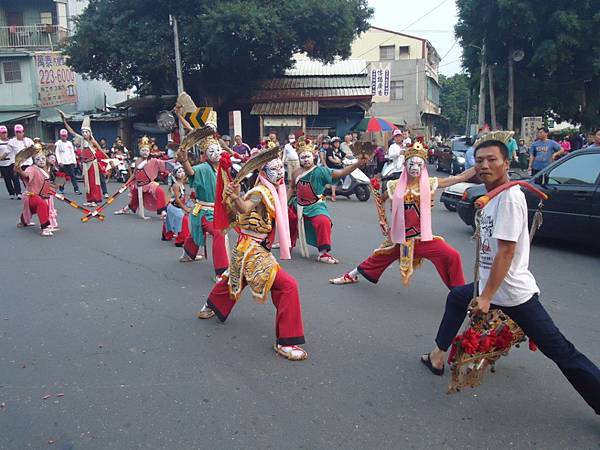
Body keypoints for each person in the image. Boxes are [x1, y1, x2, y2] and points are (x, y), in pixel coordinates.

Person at [420, 133, 600, 415]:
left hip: (513, 293)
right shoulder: (494, 196)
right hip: (490, 285)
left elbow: (506, 252)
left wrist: (486, 297)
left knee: (561, 351)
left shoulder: (510, 199)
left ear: (507, 163)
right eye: (479, 161)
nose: (484, 165)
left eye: (492, 160)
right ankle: (437, 356)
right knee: (457, 297)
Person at [197, 156, 308, 361]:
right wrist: (238, 198)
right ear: (264, 173)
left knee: (235, 277)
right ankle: (286, 341)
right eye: (274, 169)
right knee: (288, 286)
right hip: (252, 249)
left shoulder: (274, 188)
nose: (280, 172)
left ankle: (210, 306)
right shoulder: (260, 192)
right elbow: (246, 207)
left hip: (250, 247)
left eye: (281, 167)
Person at [330, 142, 471, 288]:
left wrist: (478, 166)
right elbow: (380, 199)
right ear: (405, 165)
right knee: (378, 257)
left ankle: (458, 292)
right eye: (412, 164)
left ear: (423, 167)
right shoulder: (394, 185)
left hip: (422, 238)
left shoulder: (429, 183)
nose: (415, 168)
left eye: (419, 164)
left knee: (452, 256)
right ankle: (350, 276)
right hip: (399, 238)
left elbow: (458, 178)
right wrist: (383, 221)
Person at [288, 137, 368, 264]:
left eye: (308, 156)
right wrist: (284, 205)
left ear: (313, 156)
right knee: (287, 219)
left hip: (316, 205)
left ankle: (323, 253)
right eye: (302, 157)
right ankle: (287, 245)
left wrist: (357, 163)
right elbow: (292, 188)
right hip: (298, 204)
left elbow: (341, 172)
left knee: (323, 221)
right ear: (299, 159)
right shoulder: (296, 172)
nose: (306, 159)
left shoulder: (321, 171)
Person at [176, 119, 228, 277]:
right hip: (205, 211)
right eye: (211, 151)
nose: (216, 153)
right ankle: (221, 271)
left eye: (217, 149)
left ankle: (189, 253)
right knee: (219, 233)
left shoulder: (223, 167)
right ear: (205, 154)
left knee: (197, 233)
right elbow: (191, 173)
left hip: (220, 208)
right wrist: (184, 160)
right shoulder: (203, 168)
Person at [113, 136, 169, 219]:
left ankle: (163, 211)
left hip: (149, 184)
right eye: (143, 150)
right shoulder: (137, 161)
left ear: (149, 151)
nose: (145, 152)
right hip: (138, 184)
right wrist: (126, 183)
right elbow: (134, 174)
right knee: (135, 198)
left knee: (160, 192)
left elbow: (164, 164)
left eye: (147, 150)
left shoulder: (153, 160)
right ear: (139, 151)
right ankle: (126, 209)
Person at [59, 112, 104, 207]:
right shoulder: (80, 139)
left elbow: (101, 150)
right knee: (87, 183)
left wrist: (110, 160)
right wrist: (64, 120)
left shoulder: (92, 141)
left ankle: (95, 200)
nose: (84, 134)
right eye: (83, 132)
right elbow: (71, 131)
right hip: (84, 164)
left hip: (92, 163)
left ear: (90, 133)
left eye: (86, 132)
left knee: (93, 182)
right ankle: (90, 199)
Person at [14, 145, 55, 236]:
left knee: (31, 210)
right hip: (32, 195)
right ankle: (45, 228)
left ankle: (24, 221)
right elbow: (26, 175)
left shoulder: (46, 169)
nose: (41, 161)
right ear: (34, 161)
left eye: (43, 159)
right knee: (42, 204)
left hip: (42, 195)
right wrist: (20, 171)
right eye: (38, 159)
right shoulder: (32, 168)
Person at [162, 165, 190, 247]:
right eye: (179, 172)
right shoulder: (176, 185)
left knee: (170, 221)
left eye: (183, 171)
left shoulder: (181, 183)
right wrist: (185, 208)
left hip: (174, 206)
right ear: (175, 175)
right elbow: (177, 200)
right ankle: (181, 240)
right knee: (183, 221)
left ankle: (166, 234)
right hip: (174, 206)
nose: (182, 173)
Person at [54, 129, 81, 195]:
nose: (64, 137)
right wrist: (59, 161)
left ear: (67, 136)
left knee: (73, 176)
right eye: (62, 136)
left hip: (70, 162)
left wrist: (74, 162)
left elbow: (72, 153)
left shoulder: (69, 143)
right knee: (61, 176)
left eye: (65, 136)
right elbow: (57, 153)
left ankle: (76, 189)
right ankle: (61, 189)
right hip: (62, 163)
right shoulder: (58, 143)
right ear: (60, 136)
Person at [0, 125, 22, 199]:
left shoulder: (12, 141)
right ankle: (11, 193)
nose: (4, 134)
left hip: (12, 162)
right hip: (2, 163)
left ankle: (19, 193)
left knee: (15, 177)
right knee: (7, 179)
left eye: (5, 132)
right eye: (2, 133)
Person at [325, 136, 346, 201]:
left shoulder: (339, 151)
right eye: (336, 143)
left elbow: (345, 155)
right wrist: (337, 161)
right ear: (332, 143)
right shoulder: (330, 150)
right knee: (335, 179)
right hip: (332, 168)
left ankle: (344, 190)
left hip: (340, 167)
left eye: (338, 143)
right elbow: (330, 158)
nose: (337, 144)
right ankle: (333, 195)